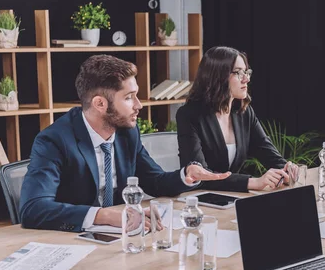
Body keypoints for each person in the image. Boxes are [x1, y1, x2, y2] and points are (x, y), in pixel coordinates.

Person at [20, 55, 230, 232]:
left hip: (122, 239)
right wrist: (106, 216)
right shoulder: (54, 140)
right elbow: (33, 210)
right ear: (100, 103)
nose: (139, 105)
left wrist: (186, 175)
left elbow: (154, 181)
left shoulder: (126, 133)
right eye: (129, 97)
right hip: (72, 243)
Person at [176, 46, 290, 192]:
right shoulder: (188, 115)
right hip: (201, 200)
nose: (246, 79)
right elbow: (201, 175)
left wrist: (286, 169)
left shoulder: (243, 112)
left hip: (231, 197)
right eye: (238, 73)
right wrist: (253, 182)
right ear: (218, 76)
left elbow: (266, 151)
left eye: (246, 72)